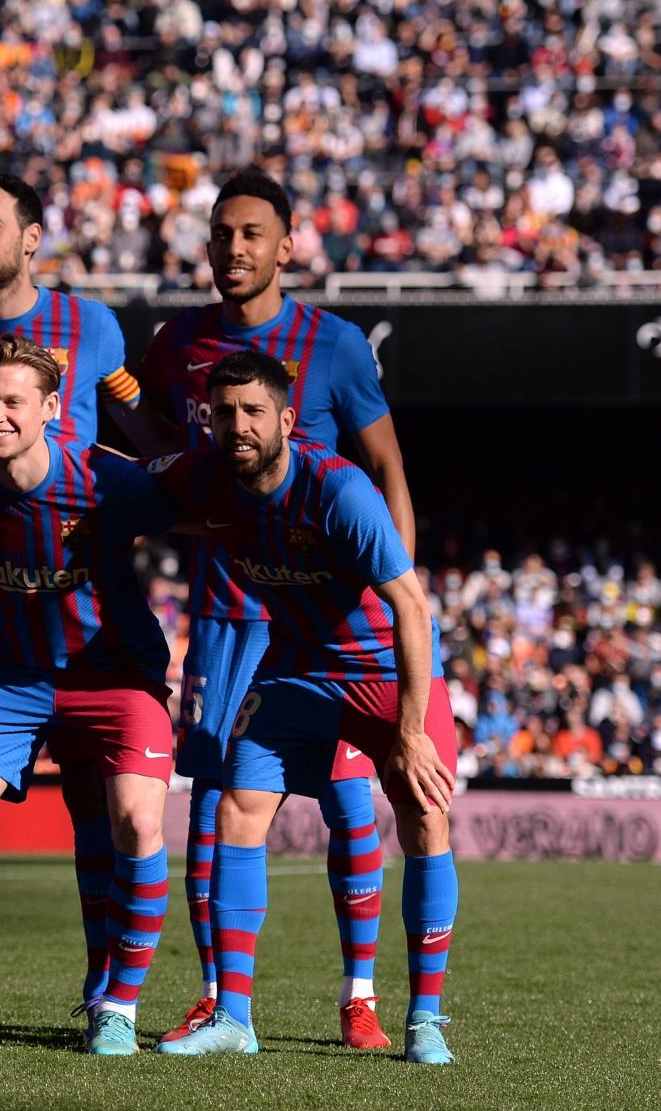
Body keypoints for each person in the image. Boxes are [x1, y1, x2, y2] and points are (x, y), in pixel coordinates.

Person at [133, 166, 416, 1049]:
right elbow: (158, 453)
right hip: (224, 610)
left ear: (287, 246)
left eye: (251, 234)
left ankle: (359, 996)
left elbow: (387, 471)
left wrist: (389, 578)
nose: (233, 250)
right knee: (217, 802)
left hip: (324, 622)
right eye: (220, 235)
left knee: (348, 805)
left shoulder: (333, 345)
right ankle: (223, 998)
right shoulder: (176, 343)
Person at [150, 351, 459, 1065]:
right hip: (296, 670)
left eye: (254, 411)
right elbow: (119, 478)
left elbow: (412, 607)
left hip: (383, 668)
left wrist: (410, 733)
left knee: (424, 817)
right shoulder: (204, 479)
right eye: (223, 413)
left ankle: (425, 1021)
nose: (238, 425)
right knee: (235, 806)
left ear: (287, 419)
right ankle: (233, 1017)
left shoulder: (339, 491)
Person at [0, 167, 152, 1031]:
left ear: (32, 237)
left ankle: (100, 989)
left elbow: (142, 427)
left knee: (96, 802)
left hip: (85, 599)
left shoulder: (93, 325)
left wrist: (132, 499)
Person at [0, 336, 177, 1055]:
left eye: (12, 402)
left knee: (138, 825)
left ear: (52, 409)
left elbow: (203, 507)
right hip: (11, 678)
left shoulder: (108, 482)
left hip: (115, 677)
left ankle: (117, 1008)